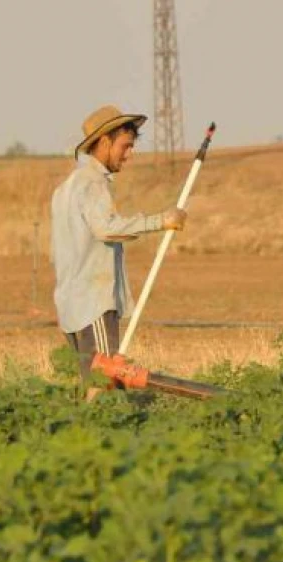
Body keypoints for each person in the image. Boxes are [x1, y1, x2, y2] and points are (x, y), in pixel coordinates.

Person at [50, 104, 186, 400]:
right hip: (93, 303)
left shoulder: (65, 188)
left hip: (71, 304)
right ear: (104, 142)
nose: (129, 155)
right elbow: (106, 228)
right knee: (103, 384)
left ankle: (79, 440)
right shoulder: (92, 182)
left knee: (91, 386)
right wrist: (161, 221)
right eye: (125, 146)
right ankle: (97, 441)